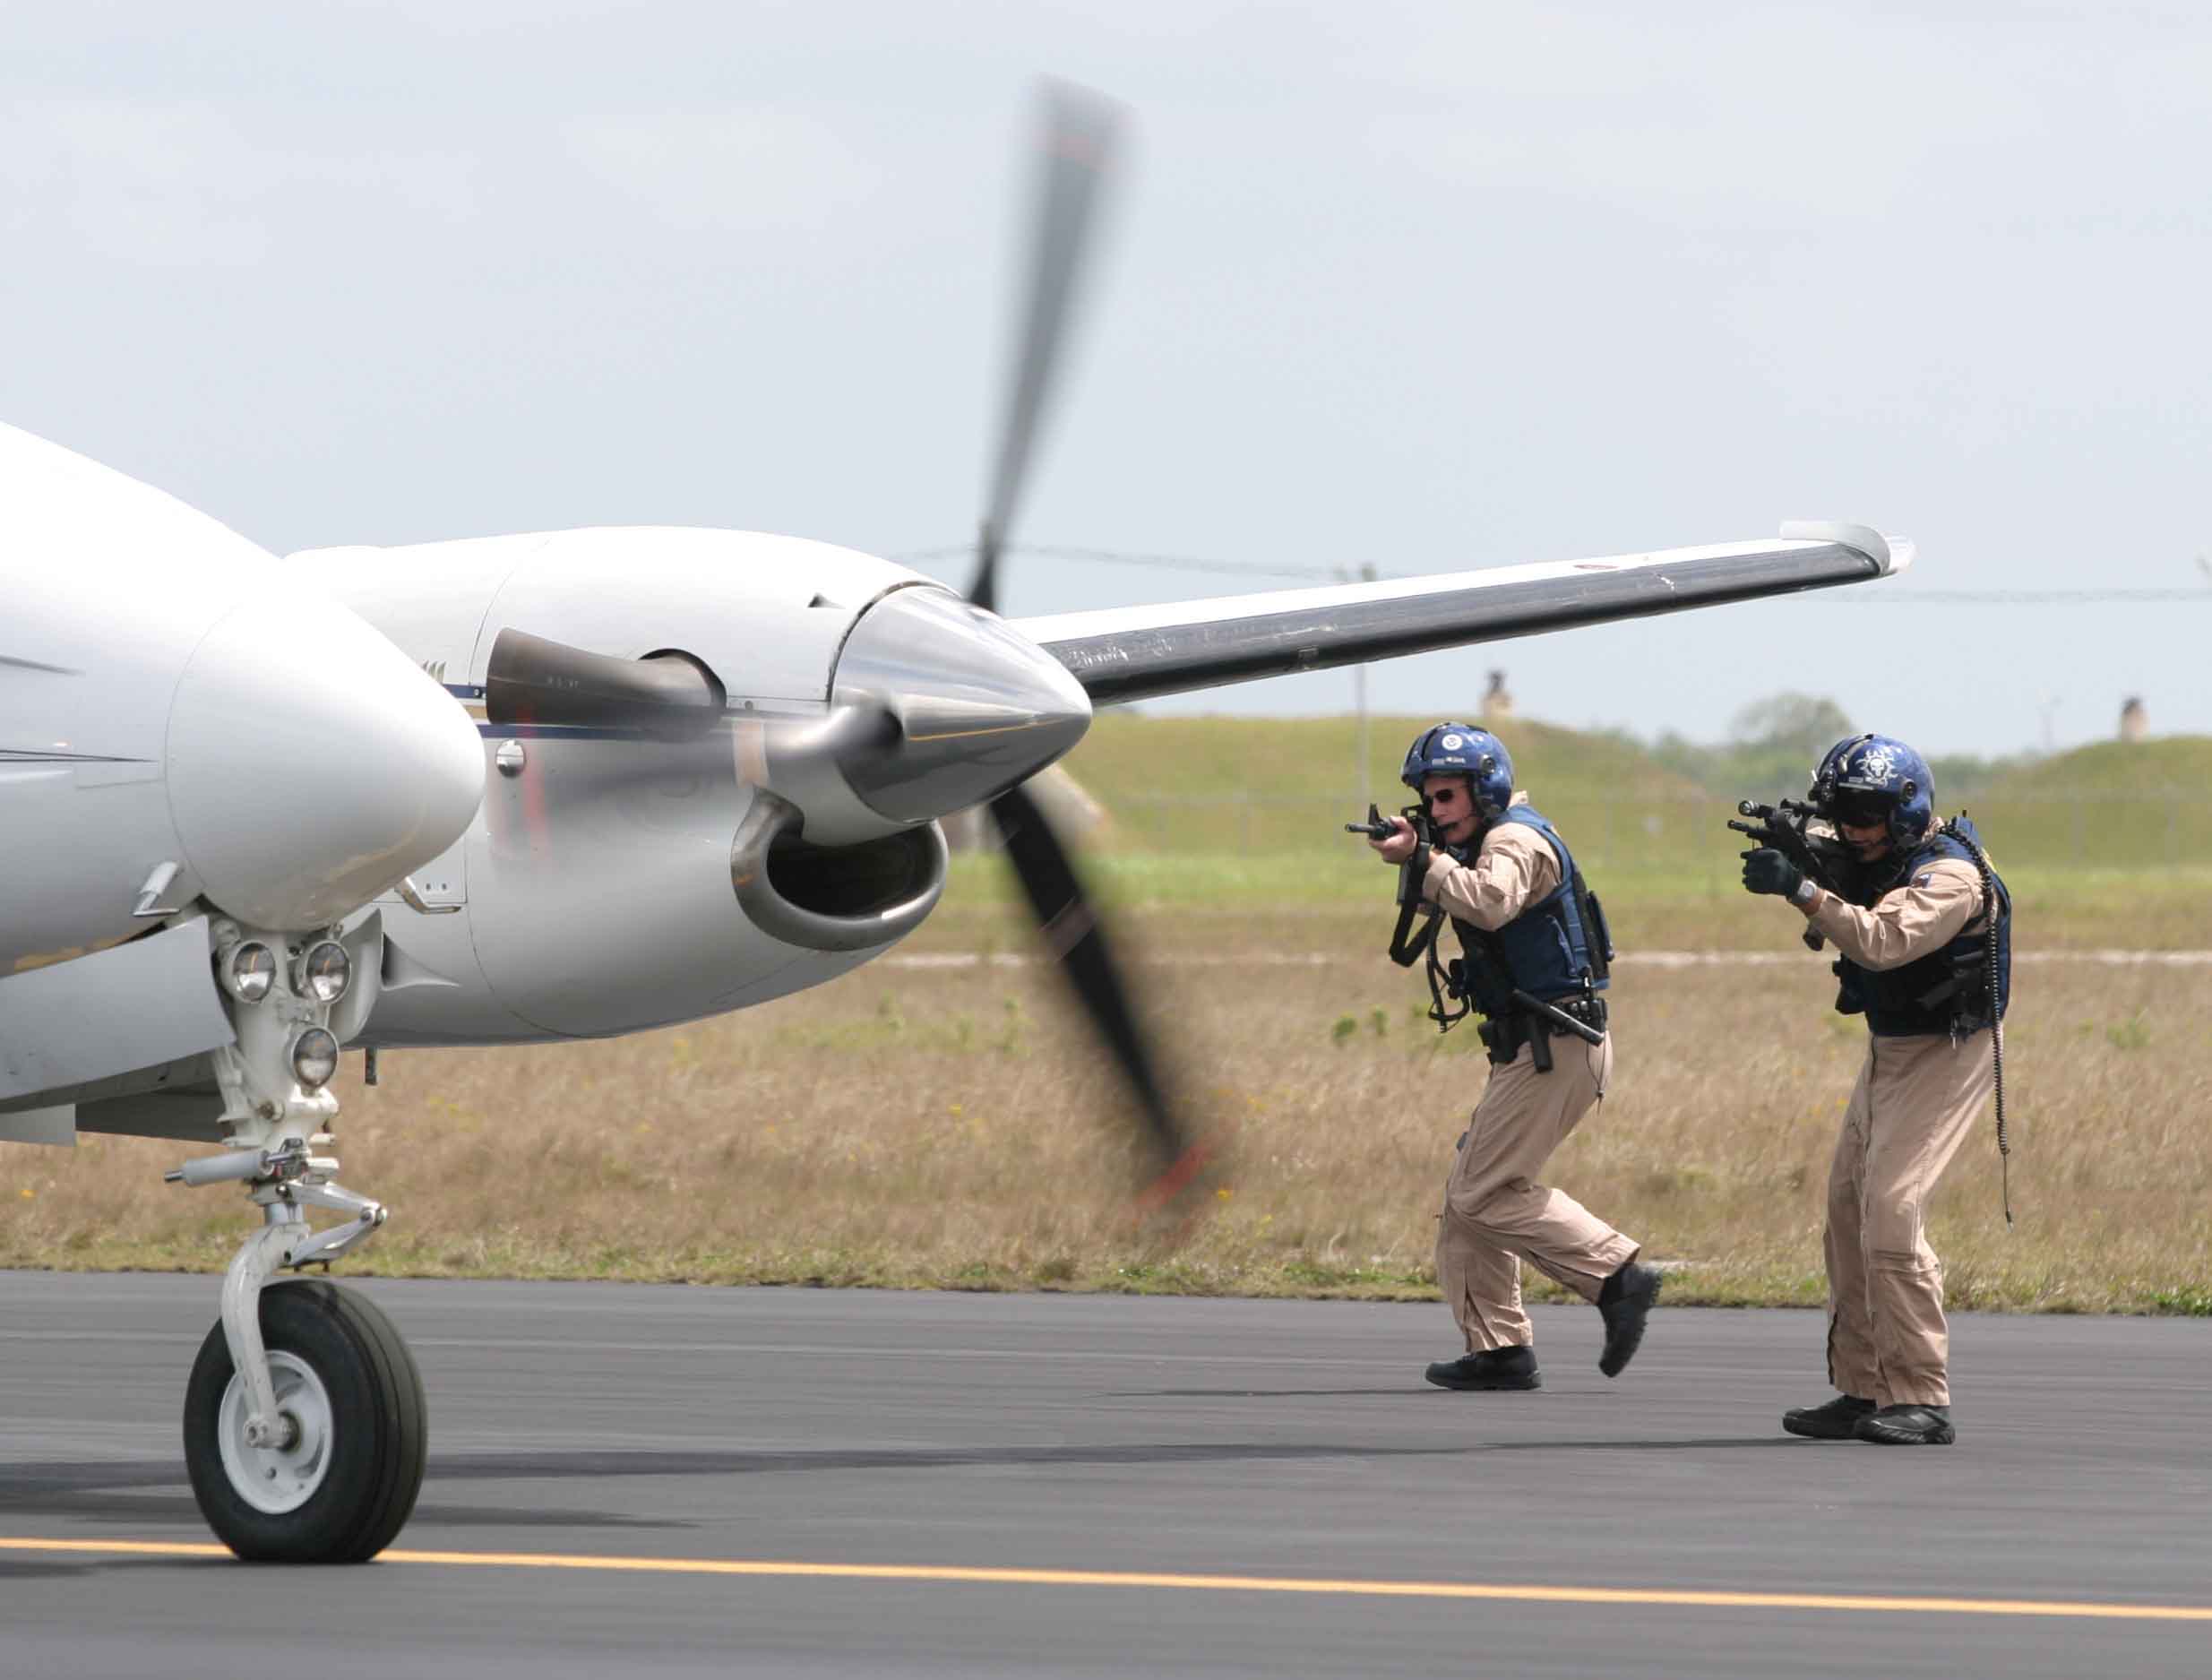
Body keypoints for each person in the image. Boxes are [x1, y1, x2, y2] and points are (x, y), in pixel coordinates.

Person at [1370, 723, 1661, 1391]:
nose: (1434, 811)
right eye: (1427, 799)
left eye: (1444, 797)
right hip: (1528, 1047)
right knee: (1466, 1192)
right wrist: (1415, 857)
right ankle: (1497, 1348)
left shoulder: (1516, 840)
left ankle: (1618, 1276)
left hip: (1554, 1045)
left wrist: (1428, 858)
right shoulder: (1477, 840)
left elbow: (1489, 902)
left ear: (1485, 789)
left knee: (1483, 1191)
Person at [1741, 733, 2011, 1446]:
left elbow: (1882, 941)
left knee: (1891, 1210)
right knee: (1845, 1206)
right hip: (1890, 1048)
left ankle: (1922, 1395)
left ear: (1904, 807)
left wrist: (1800, 889)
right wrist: (1809, 865)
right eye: (1839, 812)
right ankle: (1862, 1387)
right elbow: (1858, 896)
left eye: (1863, 812)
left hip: (1945, 1055)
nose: (1851, 828)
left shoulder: (1949, 876)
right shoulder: (1881, 859)